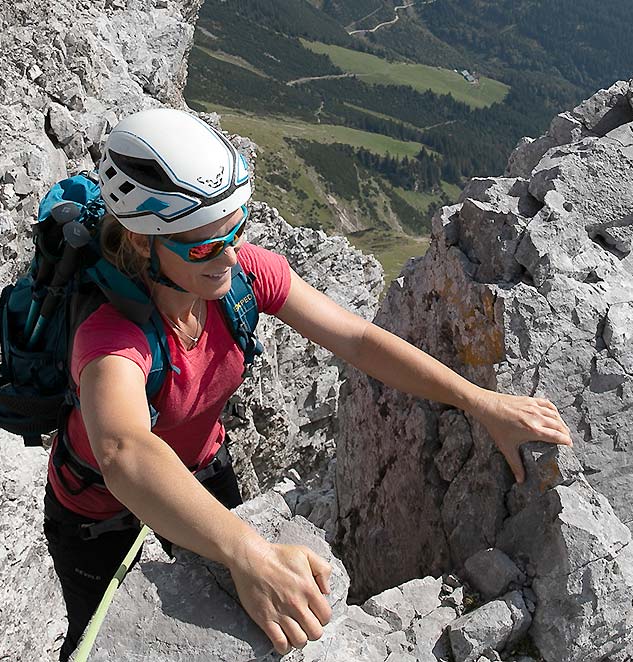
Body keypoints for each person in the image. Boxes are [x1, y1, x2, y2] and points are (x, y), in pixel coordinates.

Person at [42, 108, 572, 660]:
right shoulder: (110, 337)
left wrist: (477, 401)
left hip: (201, 468)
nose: (227, 256)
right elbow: (124, 451)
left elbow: (359, 341)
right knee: (94, 640)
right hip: (95, 513)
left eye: (236, 228)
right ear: (142, 240)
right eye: (202, 245)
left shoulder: (242, 275)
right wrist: (248, 553)